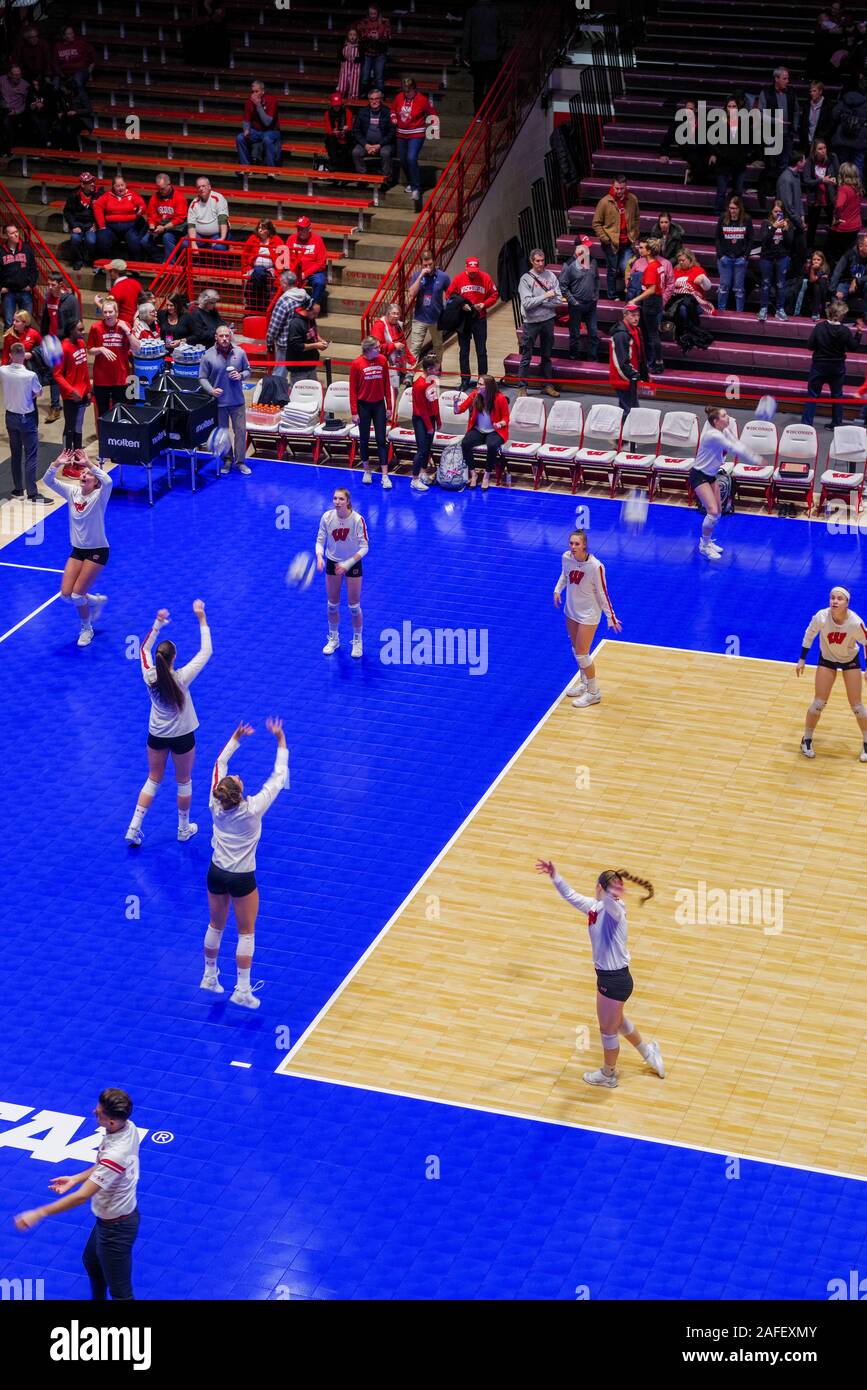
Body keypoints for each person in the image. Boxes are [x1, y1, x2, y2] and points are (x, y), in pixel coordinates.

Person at [535, 859, 663, 1089]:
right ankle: (648, 1052)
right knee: (618, 1022)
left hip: (613, 981)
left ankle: (608, 1074)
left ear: (600, 888)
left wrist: (612, 892)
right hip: (612, 978)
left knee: (607, 1031)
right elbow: (571, 896)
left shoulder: (614, 909)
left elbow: (612, 906)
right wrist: (555, 876)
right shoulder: (595, 907)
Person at [14, 1088, 140, 1302]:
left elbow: (82, 1196)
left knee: (121, 1294)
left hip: (116, 1229)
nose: (94, 1112)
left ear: (111, 1122)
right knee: (92, 1261)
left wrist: (39, 1213)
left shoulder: (117, 1153)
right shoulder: (128, 1127)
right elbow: (103, 1167)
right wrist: (75, 1178)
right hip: (109, 1221)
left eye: (99, 1112)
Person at [204, 718, 289, 1008]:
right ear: (239, 795)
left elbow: (220, 763)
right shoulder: (253, 810)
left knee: (216, 925)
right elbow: (278, 777)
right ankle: (241, 989)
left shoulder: (215, 803)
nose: (238, 777)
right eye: (239, 781)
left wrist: (235, 738)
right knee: (245, 931)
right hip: (242, 879)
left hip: (216, 873)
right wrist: (280, 741)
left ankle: (209, 976)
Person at [125, 601, 212, 846]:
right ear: (174, 659)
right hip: (183, 736)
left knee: (153, 778)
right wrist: (201, 618)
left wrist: (157, 624)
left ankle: (134, 827)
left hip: (157, 735)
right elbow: (206, 652)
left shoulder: (148, 675)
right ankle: (183, 829)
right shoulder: (182, 677)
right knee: (183, 781)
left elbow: (143, 649)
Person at [42, 455, 112, 646]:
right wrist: (56, 463)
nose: (84, 475)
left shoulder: (99, 496)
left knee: (76, 595)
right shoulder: (72, 492)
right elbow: (47, 480)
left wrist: (89, 463)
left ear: (95, 482)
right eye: (83, 473)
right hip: (78, 551)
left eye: (89, 475)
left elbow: (108, 480)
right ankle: (95, 600)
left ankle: (86, 629)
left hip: (97, 551)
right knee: (65, 594)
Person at [553, 527, 622, 708]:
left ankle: (593, 692)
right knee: (576, 650)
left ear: (584, 546)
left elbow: (602, 592)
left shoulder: (596, 566)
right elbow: (564, 575)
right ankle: (584, 683)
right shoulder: (566, 558)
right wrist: (557, 590)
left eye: (577, 544)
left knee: (583, 654)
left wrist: (611, 616)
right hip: (571, 611)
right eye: (571, 543)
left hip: (589, 614)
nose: (573, 546)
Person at [798, 587, 867, 760]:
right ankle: (806, 739)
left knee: (857, 706)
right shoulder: (822, 616)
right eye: (832, 598)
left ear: (847, 603)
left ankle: (866, 742)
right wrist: (802, 659)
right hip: (827, 659)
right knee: (818, 703)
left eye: (839, 599)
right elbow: (809, 634)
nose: (835, 601)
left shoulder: (855, 623)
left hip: (849, 660)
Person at [691, 405, 762, 560]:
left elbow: (737, 443)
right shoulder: (713, 435)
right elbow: (733, 448)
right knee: (713, 511)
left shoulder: (725, 431)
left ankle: (707, 542)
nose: (728, 417)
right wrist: (755, 459)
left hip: (711, 476)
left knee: (718, 513)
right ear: (716, 421)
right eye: (724, 416)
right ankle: (703, 546)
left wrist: (750, 453)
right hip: (699, 475)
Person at [316, 486, 369, 656]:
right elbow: (320, 540)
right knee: (332, 605)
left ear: (348, 502)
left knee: (354, 606)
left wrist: (347, 564)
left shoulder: (357, 519)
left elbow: (364, 547)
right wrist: (319, 556)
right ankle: (333, 639)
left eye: (341, 499)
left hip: (352, 564)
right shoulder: (327, 517)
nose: (337, 502)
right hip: (332, 562)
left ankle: (357, 641)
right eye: (335, 499)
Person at [198, 324, 252, 474]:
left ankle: (240, 462)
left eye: (227, 336)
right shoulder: (207, 355)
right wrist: (211, 390)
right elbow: (202, 378)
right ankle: (227, 460)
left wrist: (241, 376)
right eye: (221, 336)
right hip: (219, 403)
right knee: (223, 434)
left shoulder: (240, 353)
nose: (224, 339)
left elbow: (248, 370)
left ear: (230, 336)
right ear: (216, 337)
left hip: (237, 402)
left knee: (240, 432)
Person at [800, 300, 859, 427]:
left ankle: (806, 424)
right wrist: (858, 334)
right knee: (837, 396)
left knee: (812, 395)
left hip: (819, 366)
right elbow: (853, 347)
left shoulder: (820, 327)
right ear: (841, 315)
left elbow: (810, 346)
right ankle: (837, 423)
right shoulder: (845, 331)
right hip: (837, 367)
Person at [0, 339, 45, 504]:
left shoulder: (3, 370)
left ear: (11, 355)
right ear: (24, 356)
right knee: (31, 456)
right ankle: (32, 493)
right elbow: (38, 393)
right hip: (27, 418)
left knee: (16, 454)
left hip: (10, 417)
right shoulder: (30, 375)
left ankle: (18, 489)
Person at [516, 248, 564, 397]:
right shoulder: (526, 279)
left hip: (548, 320)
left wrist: (541, 302)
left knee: (547, 356)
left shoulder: (551, 276)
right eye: (537, 261)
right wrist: (545, 297)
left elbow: (558, 300)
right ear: (532, 261)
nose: (540, 264)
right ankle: (522, 387)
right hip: (531, 322)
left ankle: (547, 385)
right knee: (526, 356)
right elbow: (527, 304)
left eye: (542, 260)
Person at [446, 256, 498, 389]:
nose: (473, 273)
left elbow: (494, 295)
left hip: (479, 318)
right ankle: (465, 380)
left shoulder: (485, 277)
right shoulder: (458, 279)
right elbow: (449, 295)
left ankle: (483, 379)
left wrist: (484, 304)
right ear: (466, 268)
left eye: (475, 271)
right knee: (464, 350)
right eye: (470, 271)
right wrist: (460, 305)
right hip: (464, 320)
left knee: (481, 350)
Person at [350, 335, 393, 487]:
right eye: (376, 347)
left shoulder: (382, 360)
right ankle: (367, 471)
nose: (379, 349)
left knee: (381, 439)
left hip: (379, 405)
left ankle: (385, 475)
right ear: (368, 349)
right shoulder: (356, 364)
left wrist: (389, 407)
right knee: (364, 440)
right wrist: (354, 412)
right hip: (363, 406)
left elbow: (387, 384)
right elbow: (353, 390)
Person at [87, 296, 137, 421]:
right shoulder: (95, 327)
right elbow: (90, 350)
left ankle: (117, 438)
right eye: (105, 312)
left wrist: (127, 331)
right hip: (101, 378)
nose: (108, 315)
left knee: (119, 412)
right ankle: (105, 439)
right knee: (103, 414)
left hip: (120, 377)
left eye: (111, 312)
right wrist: (100, 349)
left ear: (117, 312)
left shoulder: (124, 325)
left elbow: (137, 348)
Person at [456, 373, 509, 490]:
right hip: (479, 430)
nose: (477, 386)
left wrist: (499, 424)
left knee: (492, 445)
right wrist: (456, 405)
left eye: (480, 384)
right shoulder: (475, 394)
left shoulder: (500, 398)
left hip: (495, 431)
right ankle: (473, 474)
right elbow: (460, 409)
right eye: (478, 383)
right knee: (465, 443)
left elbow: (506, 418)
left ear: (488, 387)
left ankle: (486, 475)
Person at [592, 174, 640, 301]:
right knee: (612, 270)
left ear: (626, 187)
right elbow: (596, 223)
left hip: (627, 242)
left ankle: (630, 295)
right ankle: (612, 296)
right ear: (613, 186)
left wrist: (634, 236)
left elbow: (636, 219)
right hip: (611, 243)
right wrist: (605, 239)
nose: (619, 191)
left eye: (622, 188)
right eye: (617, 188)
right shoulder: (604, 202)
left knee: (627, 268)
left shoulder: (632, 199)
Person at [758, 67, 800, 202]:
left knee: (784, 164)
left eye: (788, 78)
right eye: (784, 78)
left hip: (787, 135)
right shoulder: (766, 92)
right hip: (771, 134)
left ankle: (781, 191)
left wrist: (793, 127)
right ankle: (769, 191)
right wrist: (775, 121)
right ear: (776, 79)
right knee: (771, 164)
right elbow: (760, 113)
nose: (787, 81)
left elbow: (796, 111)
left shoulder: (791, 92)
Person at [54, 318, 92, 468]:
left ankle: (77, 459)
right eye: (80, 330)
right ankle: (66, 463)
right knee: (70, 428)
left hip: (82, 393)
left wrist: (88, 390)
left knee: (78, 426)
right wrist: (71, 390)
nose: (83, 333)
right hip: (71, 396)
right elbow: (57, 374)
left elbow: (84, 369)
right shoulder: (63, 348)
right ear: (71, 331)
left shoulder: (81, 344)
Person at [708, 96, 755, 214]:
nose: (732, 109)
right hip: (723, 163)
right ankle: (718, 214)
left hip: (738, 163)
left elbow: (749, 142)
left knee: (738, 190)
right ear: (725, 108)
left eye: (734, 106)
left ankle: (736, 214)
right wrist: (714, 154)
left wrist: (746, 156)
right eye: (729, 106)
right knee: (721, 191)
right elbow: (712, 140)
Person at [391, 76, 434, 200]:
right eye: (404, 91)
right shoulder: (399, 97)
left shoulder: (422, 100)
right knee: (404, 160)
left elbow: (433, 114)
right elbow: (393, 109)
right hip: (401, 134)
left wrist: (430, 130)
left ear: (414, 89)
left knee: (411, 158)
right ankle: (411, 182)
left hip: (416, 133)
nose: (406, 93)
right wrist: (393, 117)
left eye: (408, 91)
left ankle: (416, 188)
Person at [558, 236, 600, 362]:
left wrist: (595, 296)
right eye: (586, 246)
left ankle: (593, 360)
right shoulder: (569, 264)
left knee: (593, 333)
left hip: (591, 304)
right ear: (578, 248)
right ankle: (574, 360)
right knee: (575, 335)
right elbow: (562, 285)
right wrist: (572, 301)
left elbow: (597, 279)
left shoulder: (593, 261)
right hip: (576, 305)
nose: (589, 248)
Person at [629, 237, 666, 374]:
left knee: (651, 334)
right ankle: (650, 362)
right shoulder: (658, 264)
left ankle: (657, 363)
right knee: (650, 333)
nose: (640, 249)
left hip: (651, 301)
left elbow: (650, 290)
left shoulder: (651, 267)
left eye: (642, 248)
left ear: (649, 251)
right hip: (656, 300)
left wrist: (635, 300)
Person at [405, 249, 450, 362]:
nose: (428, 266)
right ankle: (410, 376)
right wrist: (421, 276)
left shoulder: (443, 276)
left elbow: (451, 294)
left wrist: (447, 310)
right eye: (425, 265)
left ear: (434, 262)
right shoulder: (417, 276)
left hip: (436, 319)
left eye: (430, 264)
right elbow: (411, 294)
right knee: (415, 348)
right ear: (421, 264)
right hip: (419, 318)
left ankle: (437, 370)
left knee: (438, 346)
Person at [461, 0, 502, 113]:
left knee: (478, 85)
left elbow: (467, 34)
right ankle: (490, 112)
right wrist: (499, 52)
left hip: (477, 55)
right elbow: (503, 34)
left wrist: (465, 54)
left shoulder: (472, 11)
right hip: (493, 56)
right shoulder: (496, 11)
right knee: (491, 86)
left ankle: (478, 113)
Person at [93, 176, 147, 261]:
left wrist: (139, 212)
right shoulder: (107, 195)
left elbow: (142, 205)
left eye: (122, 185)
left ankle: (135, 267)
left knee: (134, 243)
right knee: (102, 239)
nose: (120, 188)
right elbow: (97, 206)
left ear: (125, 185)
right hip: (111, 226)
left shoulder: (132, 194)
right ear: (113, 187)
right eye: (117, 186)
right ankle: (104, 265)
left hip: (129, 226)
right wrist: (101, 225)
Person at [758, 201, 795, 322]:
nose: (778, 214)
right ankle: (763, 309)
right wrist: (774, 227)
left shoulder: (788, 224)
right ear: (771, 212)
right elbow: (764, 241)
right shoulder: (766, 223)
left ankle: (780, 310)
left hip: (782, 258)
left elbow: (790, 243)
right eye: (775, 211)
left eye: (780, 212)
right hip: (767, 258)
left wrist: (783, 229)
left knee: (781, 284)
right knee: (765, 284)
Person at [715, 196, 754, 313]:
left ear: (740, 208)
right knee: (723, 287)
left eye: (735, 208)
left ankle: (739, 312)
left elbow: (751, 239)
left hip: (740, 259)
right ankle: (721, 310)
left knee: (739, 288)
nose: (733, 211)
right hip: (725, 258)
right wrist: (720, 255)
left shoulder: (746, 219)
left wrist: (745, 256)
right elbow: (717, 238)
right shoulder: (723, 218)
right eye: (731, 208)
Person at [351, 87, 396, 186]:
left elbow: (392, 132)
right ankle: (362, 178)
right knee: (356, 152)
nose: (374, 101)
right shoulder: (362, 112)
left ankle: (386, 179)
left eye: (376, 99)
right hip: (367, 143)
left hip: (384, 144)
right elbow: (356, 131)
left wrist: (379, 145)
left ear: (381, 99)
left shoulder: (388, 112)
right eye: (371, 99)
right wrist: (366, 145)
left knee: (385, 153)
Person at [609, 302, 649, 412]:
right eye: (633, 315)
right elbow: (621, 362)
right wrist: (635, 376)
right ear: (625, 315)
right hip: (623, 379)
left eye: (638, 315)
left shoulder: (636, 330)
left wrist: (643, 374)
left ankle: (621, 428)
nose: (636, 318)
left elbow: (640, 355)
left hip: (631, 378)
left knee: (625, 410)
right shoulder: (621, 334)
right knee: (632, 411)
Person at [658, 97, 709, 184]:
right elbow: (668, 138)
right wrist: (663, 153)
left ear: (696, 110)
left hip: (701, 150)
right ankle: (694, 184)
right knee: (699, 162)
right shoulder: (679, 121)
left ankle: (692, 174)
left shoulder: (702, 121)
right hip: (688, 150)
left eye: (691, 109)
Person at [409, 352, 440, 491]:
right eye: (436, 369)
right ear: (428, 370)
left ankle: (422, 473)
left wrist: (438, 419)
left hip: (430, 418)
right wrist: (428, 426)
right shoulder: (419, 385)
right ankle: (414, 479)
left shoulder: (433, 381)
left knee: (427, 449)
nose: (438, 371)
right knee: (421, 450)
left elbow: (435, 401)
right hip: (421, 420)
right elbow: (421, 409)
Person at [236, 79, 281, 171]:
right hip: (257, 132)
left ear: (262, 91)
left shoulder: (272, 100)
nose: (254, 94)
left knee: (267, 138)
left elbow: (267, 122)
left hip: (272, 131)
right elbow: (246, 120)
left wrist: (258, 106)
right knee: (240, 137)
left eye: (256, 91)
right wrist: (246, 130)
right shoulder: (249, 102)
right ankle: (246, 168)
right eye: (252, 92)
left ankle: (271, 169)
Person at [371, 300, 416, 394]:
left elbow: (403, 344)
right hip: (384, 363)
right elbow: (375, 348)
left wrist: (411, 359)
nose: (396, 316)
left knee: (396, 389)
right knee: (392, 391)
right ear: (388, 314)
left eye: (398, 314)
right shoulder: (379, 326)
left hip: (398, 362)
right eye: (393, 313)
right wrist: (394, 346)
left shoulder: (398, 325)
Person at [824, 161, 863, 267]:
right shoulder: (858, 188)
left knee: (829, 251)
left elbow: (839, 205)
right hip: (855, 225)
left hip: (843, 227)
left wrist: (836, 217)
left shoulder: (843, 189)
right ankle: (848, 274)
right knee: (849, 252)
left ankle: (834, 274)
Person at [0, 222, 38, 328]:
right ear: (5, 235)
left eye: (17, 232)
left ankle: (25, 344)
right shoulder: (1, 251)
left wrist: (31, 285)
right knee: (9, 323)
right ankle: (10, 344)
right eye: (12, 233)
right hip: (8, 293)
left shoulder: (26, 249)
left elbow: (34, 270)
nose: (16, 235)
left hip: (24, 291)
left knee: (26, 323)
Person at [285, 216, 328, 308]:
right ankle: (289, 308)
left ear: (309, 228)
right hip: (295, 271)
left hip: (313, 272)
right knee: (282, 280)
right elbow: (286, 258)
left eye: (303, 229)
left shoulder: (317, 239)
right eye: (298, 229)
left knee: (320, 282)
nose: (300, 231)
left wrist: (305, 273)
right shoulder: (291, 239)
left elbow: (321, 263)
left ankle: (311, 308)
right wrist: (294, 271)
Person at [804, 138, 839, 248]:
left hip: (829, 197)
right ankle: (809, 249)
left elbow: (838, 175)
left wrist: (835, 180)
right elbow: (807, 181)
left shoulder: (832, 158)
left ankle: (832, 249)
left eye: (824, 148)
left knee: (833, 225)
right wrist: (821, 180)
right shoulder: (810, 161)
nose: (823, 150)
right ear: (814, 151)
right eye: (820, 149)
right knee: (812, 226)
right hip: (815, 199)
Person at [241, 218, 284, 310]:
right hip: (254, 269)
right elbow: (244, 255)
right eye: (259, 227)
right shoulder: (253, 238)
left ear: (269, 230)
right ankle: (261, 303)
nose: (260, 230)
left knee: (258, 272)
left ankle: (254, 303)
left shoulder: (277, 240)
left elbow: (282, 258)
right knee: (258, 271)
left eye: (263, 228)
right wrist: (245, 270)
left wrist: (277, 272)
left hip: (270, 270)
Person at [831, 74, 867, 181]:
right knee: (858, 166)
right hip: (861, 139)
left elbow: (835, 114)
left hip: (843, 137)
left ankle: (842, 190)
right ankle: (856, 193)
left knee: (843, 166)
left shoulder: (846, 97)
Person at [777, 149, 808, 270]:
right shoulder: (786, 179)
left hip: (796, 224)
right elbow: (788, 207)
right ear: (799, 162)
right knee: (792, 256)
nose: (805, 163)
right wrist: (800, 223)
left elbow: (798, 200)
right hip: (789, 226)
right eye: (804, 160)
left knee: (800, 256)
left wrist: (802, 216)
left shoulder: (795, 177)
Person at [146, 173, 187, 263]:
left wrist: (164, 228)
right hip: (159, 226)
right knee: (144, 241)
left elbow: (180, 219)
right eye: (158, 188)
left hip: (175, 228)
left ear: (169, 185)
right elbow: (151, 214)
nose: (160, 191)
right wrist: (152, 226)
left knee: (167, 237)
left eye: (162, 188)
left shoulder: (179, 198)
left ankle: (170, 265)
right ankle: (162, 260)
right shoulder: (155, 196)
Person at [830, 230, 867, 325]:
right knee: (838, 294)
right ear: (860, 246)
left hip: (863, 284)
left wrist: (857, 280)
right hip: (846, 283)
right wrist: (833, 290)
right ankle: (838, 321)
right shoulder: (850, 254)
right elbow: (837, 271)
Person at [63, 170, 98, 269]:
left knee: (91, 241)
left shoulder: (97, 194)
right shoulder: (74, 195)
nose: (92, 184)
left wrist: (96, 224)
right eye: (89, 182)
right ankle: (77, 261)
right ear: (82, 184)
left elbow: (101, 211)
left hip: (91, 224)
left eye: (93, 181)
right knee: (75, 239)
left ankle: (92, 260)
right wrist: (74, 225)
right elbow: (68, 212)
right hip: (78, 224)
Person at [51, 25, 96, 98]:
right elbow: (54, 63)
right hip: (63, 73)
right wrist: (61, 74)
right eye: (69, 34)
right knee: (55, 85)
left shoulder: (81, 43)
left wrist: (90, 69)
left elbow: (92, 56)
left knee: (77, 82)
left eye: (72, 33)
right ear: (63, 36)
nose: (72, 35)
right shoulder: (57, 46)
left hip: (79, 71)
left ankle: (82, 105)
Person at [187, 176, 230, 251]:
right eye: (199, 187)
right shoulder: (194, 203)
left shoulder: (218, 198)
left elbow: (222, 219)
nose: (201, 188)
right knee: (185, 244)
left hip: (217, 234)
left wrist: (222, 238)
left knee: (219, 247)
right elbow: (191, 225)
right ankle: (196, 262)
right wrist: (193, 244)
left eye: (203, 186)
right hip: (199, 235)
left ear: (209, 186)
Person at [358, 5, 391, 96]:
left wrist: (379, 37)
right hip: (367, 53)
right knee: (365, 77)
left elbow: (388, 37)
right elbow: (359, 36)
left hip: (380, 53)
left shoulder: (385, 22)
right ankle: (363, 95)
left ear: (378, 13)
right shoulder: (363, 22)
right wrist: (368, 36)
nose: (372, 15)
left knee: (379, 78)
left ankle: (380, 97)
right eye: (371, 14)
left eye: (374, 14)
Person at [0, 64, 30, 156]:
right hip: (3, 108)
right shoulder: (2, 79)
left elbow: (26, 104)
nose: (18, 77)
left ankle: (10, 150)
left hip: (16, 111)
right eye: (15, 75)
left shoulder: (25, 85)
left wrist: (16, 111)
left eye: (19, 74)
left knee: (6, 122)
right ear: (9, 74)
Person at [794, 249, 831, 320]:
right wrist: (812, 270)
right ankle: (822, 307)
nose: (816, 261)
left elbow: (822, 281)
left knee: (818, 284)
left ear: (822, 261)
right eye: (814, 259)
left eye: (818, 259)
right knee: (817, 283)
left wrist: (818, 276)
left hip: (822, 289)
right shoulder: (808, 266)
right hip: (809, 288)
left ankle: (815, 312)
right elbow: (811, 280)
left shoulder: (825, 267)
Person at [799, 79, 834, 150]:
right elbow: (803, 125)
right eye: (810, 91)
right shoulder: (807, 105)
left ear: (820, 91)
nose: (811, 93)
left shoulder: (828, 106)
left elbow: (830, 126)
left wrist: (821, 139)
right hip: (808, 142)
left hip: (822, 143)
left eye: (814, 91)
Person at [324, 91, 353, 174]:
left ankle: (344, 168)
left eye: (338, 105)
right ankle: (335, 165)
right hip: (334, 138)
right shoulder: (327, 114)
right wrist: (334, 132)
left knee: (348, 143)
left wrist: (346, 129)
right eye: (335, 105)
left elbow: (350, 126)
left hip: (345, 136)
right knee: (330, 140)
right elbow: (328, 130)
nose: (337, 107)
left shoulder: (347, 112)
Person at [337, 28, 361, 102]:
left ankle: (352, 104)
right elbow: (339, 55)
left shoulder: (359, 47)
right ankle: (339, 102)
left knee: (353, 89)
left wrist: (357, 59)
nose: (352, 37)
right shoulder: (344, 46)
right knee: (342, 88)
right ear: (347, 36)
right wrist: (343, 58)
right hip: (345, 70)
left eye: (354, 35)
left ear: (357, 36)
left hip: (355, 70)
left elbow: (362, 57)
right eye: (350, 35)